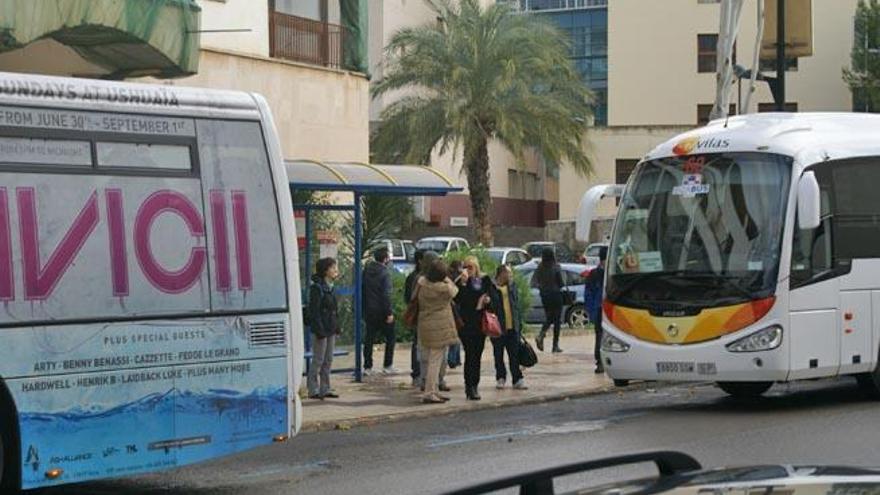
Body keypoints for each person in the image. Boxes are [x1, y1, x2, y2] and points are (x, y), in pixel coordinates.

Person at [416, 259, 460, 403]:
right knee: (435, 361)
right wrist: (447, 278)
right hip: (439, 326)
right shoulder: (444, 288)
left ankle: (433, 390)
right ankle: (429, 392)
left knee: (430, 359)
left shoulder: (422, 283)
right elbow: (455, 290)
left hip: (425, 324)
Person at [455, 256, 492, 400]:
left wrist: (487, 301)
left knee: (477, 355)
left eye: (470, 267)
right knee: (470, 354)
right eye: (465, 266)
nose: (467, 270)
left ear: (476, 267)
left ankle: (475, 384)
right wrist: (463, 284)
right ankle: (469, 386)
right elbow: (458, 300)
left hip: (480, 322)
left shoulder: (484, 280)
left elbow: (492, 298)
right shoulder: (462, 282)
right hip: (466, 322)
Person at [488, 265, 527, 390]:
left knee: (514, 354)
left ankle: (517, 379)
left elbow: (516, 305)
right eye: (508, 273)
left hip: (512, 326)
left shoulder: (512, 286)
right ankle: (501, 377)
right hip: (498, 327)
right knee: (498, 354)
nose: (511, 275)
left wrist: (519, 324)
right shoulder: (492, 288)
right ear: (501, 274)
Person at [307, 257, 341, 399]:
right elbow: (314, 311)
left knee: (328, 359)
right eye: (333, 268)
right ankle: (313, 388)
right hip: (321, 329)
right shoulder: (317, 288)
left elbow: (334, 309)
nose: (335, 270)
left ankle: (325, 388)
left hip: (330, 327)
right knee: (318, 359)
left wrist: (337, 326)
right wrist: (319, 329)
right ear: (325, 270)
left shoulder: (331, 287)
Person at [363, 247, 397, 375]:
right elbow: (386, 294)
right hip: (382, 311)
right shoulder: (385, 273)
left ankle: (367, 366)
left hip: (369, 310)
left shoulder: (366, 271)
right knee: (390, 337)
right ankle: (387, 365)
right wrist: (389, 312)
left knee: (369, 338)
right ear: (385, 259)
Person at [532, 248, 565, 353]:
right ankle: (555, 345)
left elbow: (534, 282)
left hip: (544, 296)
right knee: (556, 320)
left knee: (549, 317)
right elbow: (561, 283)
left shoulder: (540, 267)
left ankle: (542, 334)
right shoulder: (556, 267)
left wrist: (542, 287)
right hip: (555, 295)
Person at [585, 246, 608, 373]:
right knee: (599, 335)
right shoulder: (595, 274)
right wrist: (592, 310)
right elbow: (588, 293)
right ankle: (600, 361)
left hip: (610, 309)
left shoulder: (611, 272)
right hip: (600, 309)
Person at [446, 260, 464, 369]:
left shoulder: (449, 277)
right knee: (456, 335)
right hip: (455, 309)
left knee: (456, 335)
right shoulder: (456, 278)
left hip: (453, 309)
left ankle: (456, 359)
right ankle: (453, 359)